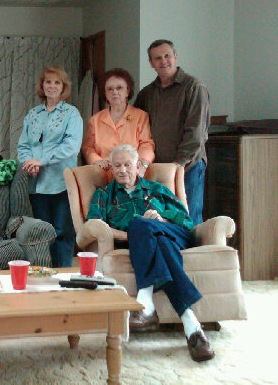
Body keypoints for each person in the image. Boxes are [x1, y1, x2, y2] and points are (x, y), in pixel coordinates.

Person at [86, 144, 214, 362]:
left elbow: (186, 221)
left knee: (143, 226)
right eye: (117, 165)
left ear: (138, 165)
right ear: (111, 168)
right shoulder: (104, 194)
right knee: (152, 236)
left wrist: (161, 218)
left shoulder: (157, 189)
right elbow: (93, 225)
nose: (122, 170)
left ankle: (145, 302)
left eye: (128, 165)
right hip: (149, 243)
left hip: (174, 234)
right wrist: (138, 233)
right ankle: (192, 326)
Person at [134, 39, 210, 225]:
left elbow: (196, 134)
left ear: (175, 56)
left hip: (187, 167)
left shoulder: (194, 87)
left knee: (189, 220)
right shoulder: (146, 94)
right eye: (157, 58)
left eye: (167, 55)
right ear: (151, 63)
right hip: (156, 170)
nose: (163, 61)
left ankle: (192, 247)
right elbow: (136, 128)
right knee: (163, 219)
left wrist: (177, 165)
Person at [16, 66, 83, 267]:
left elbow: (71, 146)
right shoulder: (33, 114)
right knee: (44, 232)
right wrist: (29, 163)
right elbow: (23, 145)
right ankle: (47, 274)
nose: (52, 86)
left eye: (57, 82)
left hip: (61, 182)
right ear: (42, 86)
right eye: (48, 82)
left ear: (63, 87)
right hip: (36, 183)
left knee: (62, 231)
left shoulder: (71, 113)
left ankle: (63, 274)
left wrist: (41, 160)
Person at [82, 68, 154, 175]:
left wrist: (142, 164)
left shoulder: (140, 116)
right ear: (105, 93)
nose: (115, 92)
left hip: (132, 172)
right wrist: (95, 161)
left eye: (119, 88)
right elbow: (88, 147)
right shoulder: (94, 120)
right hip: (104, 173)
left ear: (127, 91)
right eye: (110, 89)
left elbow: (146, 144)